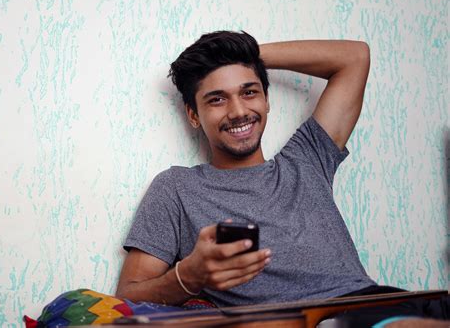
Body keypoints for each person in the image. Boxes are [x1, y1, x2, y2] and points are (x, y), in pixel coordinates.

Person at [115, 31, 448, 325]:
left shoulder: (306, 158)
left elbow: (354, 57)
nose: (238, 111)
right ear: (193, 115)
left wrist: (245, 55)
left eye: (249, 92)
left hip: (385, 300)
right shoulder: (176, 187)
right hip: (320, 320)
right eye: (217, 99)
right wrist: (189, 275)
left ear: (266, 99)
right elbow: (126, 298)